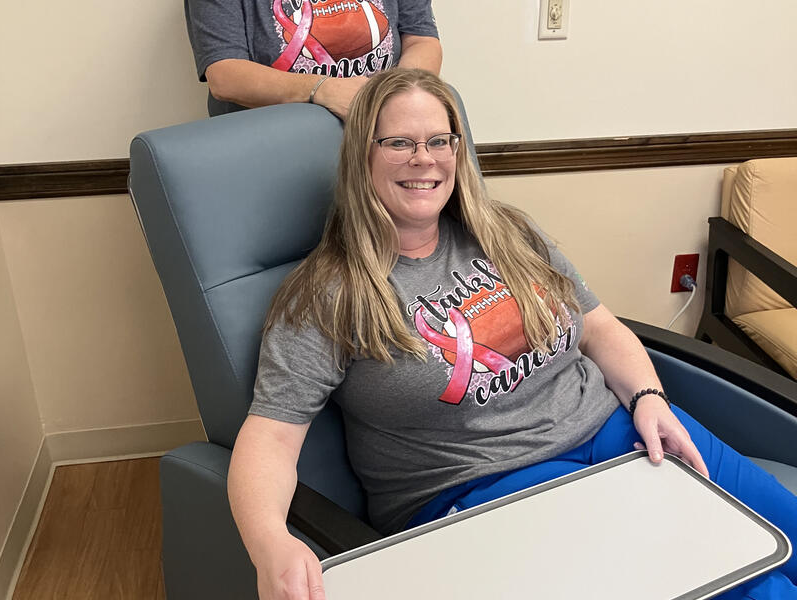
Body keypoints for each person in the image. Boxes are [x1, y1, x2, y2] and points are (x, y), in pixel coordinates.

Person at [228, 68, 797, 600]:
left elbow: (596, 325)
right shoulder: (327, 294)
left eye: (439, 141)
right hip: (483, 487)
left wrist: (649, 398)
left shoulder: (507, 232)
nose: (423, 159)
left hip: (616, 430)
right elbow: (272, 438)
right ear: (362, 157)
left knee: (782, 532)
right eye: (398, 142)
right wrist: (268, 543)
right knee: (749, 582)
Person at [185, 0, 441, 118]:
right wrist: (323, 89)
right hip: (272, 145)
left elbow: (422, 40)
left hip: (380, 132)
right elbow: (225, 75)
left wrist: (396, 100)